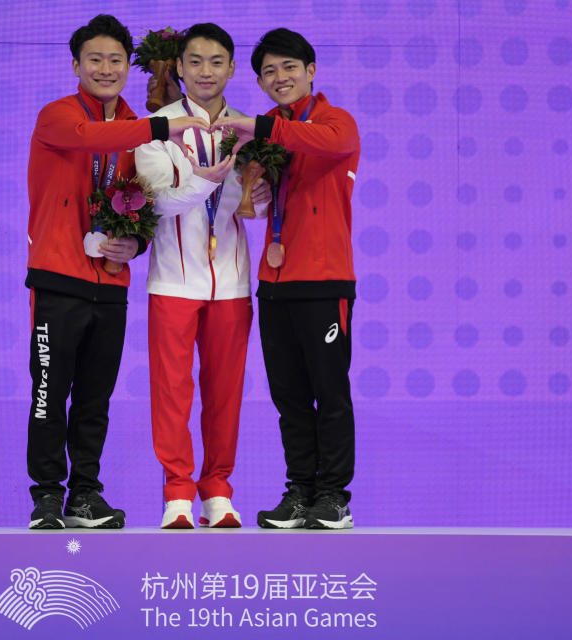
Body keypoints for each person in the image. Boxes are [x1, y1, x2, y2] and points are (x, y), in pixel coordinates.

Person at [25, 14, 208, 530]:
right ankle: (45, 496)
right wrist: (162, 123)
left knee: (94, 397)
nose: (106, 69)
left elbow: (145, 200)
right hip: (58, 276)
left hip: (110, 281)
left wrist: (137, 241)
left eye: (115, 60)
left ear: (129, 65)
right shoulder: (57, 116)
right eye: (95, 59)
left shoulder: (135, 127)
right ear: (76, 64)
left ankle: (85, 494)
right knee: (49, 391)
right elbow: (90, 138)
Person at [214, 28, 360, 529]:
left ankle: (334, 496)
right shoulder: (263, 129)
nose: (281, 78)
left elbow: (331, 144)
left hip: (325, 279)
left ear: (311, 71)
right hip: (274, 281)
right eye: (269, 72)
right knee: (289, 395)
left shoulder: (334, 122)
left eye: (290, 68)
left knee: (329, 390)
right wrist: (246, 188)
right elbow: (250, 204)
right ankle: (299, 491)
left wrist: (257, 128)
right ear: (258, 80)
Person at [135, 23, 270, 529]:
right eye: (195, 61)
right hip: (173, 279)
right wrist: (202, 183)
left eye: (217, 62)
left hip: (232, 283)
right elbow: (156, 203)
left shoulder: (254, 131)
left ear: (233, 68)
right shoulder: (155, 128)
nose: (206, 71)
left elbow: (255, 205)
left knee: (225, 390)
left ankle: (217, 490)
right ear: (180, 67)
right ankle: (176, 494)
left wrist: (259, 198)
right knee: (171, 388)